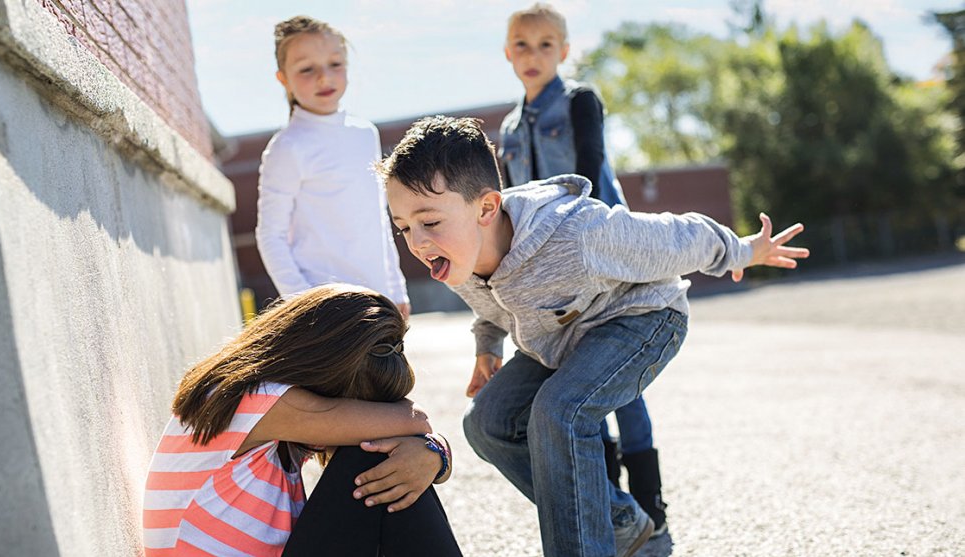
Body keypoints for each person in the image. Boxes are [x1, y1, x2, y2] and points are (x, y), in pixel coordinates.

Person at [380, 116, 808, 557]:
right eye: (403, 226)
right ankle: (619, 521)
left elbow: (679, 236)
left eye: (428, 221)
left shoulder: (577, 234)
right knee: (486, 423)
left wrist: (742, 250)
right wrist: (486, 349)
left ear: (486, 209)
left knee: (559, 411)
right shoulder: (455, 253)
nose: (416, 241)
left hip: (642, 319)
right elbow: (492, 305)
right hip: (563, 339)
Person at [497, 2, 665, 534]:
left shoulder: (579, 102)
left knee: (622, 385)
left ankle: (651, 508)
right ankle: (614, 511)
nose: (534, 54)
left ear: (564, 51)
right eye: (523, 44)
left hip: (604, 258)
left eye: (546, 44)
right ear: (508, 52)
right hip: (549, 275)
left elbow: (590, 172)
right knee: (577, 380)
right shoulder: (507, 126)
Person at [141, 284, 463, 556]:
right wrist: (431, 449)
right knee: (371, 453)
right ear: (324, 371)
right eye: (355, 405)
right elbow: (415, 420)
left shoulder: (263, 406)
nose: (362, 417)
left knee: (390, 460)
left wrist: (433, 454)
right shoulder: (255, 398)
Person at [256, 16, 409, 317]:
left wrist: (396, 288)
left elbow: (378, 220)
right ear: (283, 78)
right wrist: (303, 303)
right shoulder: (287, 147)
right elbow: (270, 235)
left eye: (335, 64)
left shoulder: (366, 134)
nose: (324, 77)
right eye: (306, 69)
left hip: (379, 301)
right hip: (326, 311)